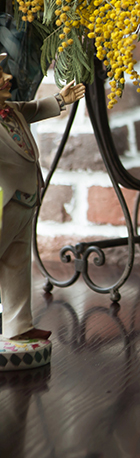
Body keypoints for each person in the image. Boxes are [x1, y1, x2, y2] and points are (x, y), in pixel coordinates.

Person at [0, 52, 85, 342]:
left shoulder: (11, 110)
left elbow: (34, 108)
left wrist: (61, 99)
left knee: (17, 264)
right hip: (2, 205)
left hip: (24, 201)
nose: (7, 77)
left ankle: (18, 326)